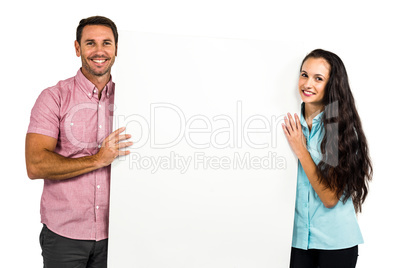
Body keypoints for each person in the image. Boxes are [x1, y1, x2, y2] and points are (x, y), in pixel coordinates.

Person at [25, 16, 132, 268]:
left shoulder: (133, 97)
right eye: (90, 43)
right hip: (64, 236)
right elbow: (35, 165)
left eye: (106, 43)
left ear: (116, 49)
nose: (99, 51)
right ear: (77, 48)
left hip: (120, 234)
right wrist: (98, 159)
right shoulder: (54, 97)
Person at [282, 49, 372, 268]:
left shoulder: (334, 127)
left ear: (332, 84)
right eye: (304, 75)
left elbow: (330, 198)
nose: (307, 84)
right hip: (295, 241)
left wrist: (301, 150)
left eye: (318, 78)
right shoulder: (292, 122)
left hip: (335, 245)